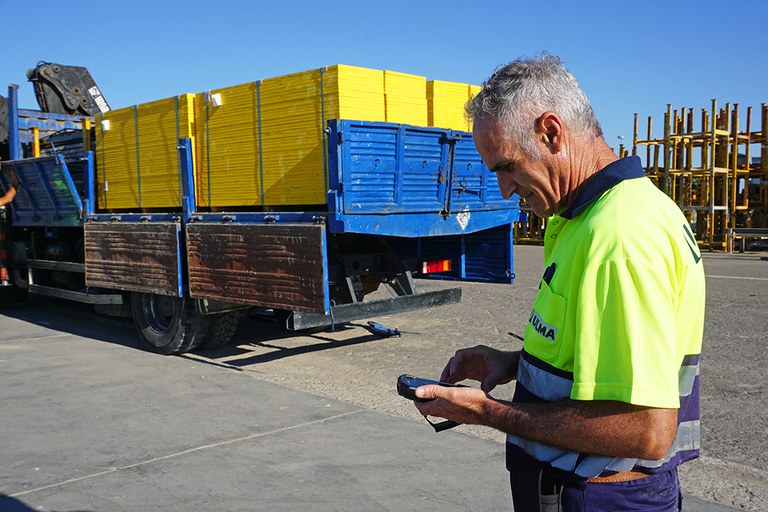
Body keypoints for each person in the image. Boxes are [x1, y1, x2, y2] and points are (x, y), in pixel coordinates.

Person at [413, 54, 705, 511]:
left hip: (603, 498)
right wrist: (514, 363)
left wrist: (488, 412)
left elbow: (646, 429)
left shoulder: (618, 236)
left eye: (506, 167)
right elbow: (597, 356)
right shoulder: (584, 218)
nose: (506, 189)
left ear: (551, 132)